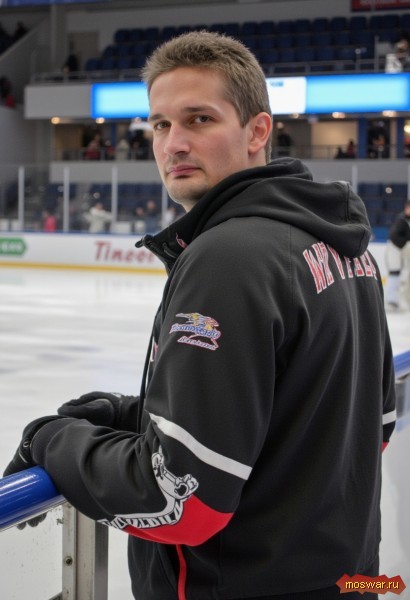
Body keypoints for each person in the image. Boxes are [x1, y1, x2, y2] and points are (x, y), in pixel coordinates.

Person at [3, 31, 396, 600]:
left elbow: (181, 501)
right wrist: (135, 416)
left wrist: (52, 440)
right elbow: (362, 427)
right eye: (160, 125)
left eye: (199, 120)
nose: (174, 144)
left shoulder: (229, 258)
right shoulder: (348, 249)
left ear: (257, 131)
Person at [385, 200, 410, 310]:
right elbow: (394, 236)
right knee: (394, 272)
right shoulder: (401, 220)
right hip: (395, 249)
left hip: (400, 250)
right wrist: (404, 245)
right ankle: (392, 300)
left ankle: (398, 300)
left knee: (401, 274)